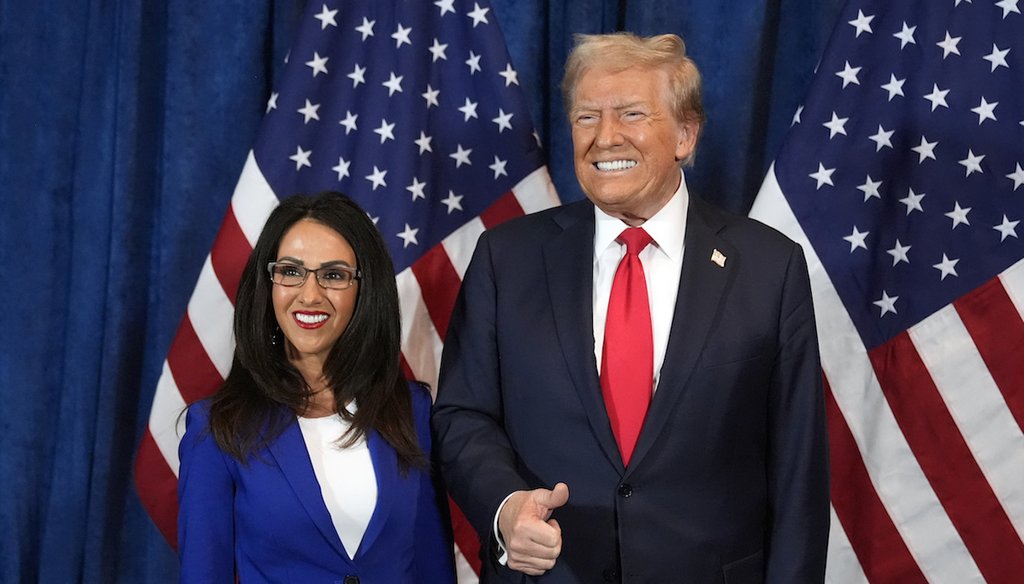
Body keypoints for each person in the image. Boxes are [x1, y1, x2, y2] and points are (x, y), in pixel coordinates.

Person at [432, 32, 829, 583]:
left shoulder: (768, 268)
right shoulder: (508, 258)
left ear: (685, 135)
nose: (605, 137)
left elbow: (798, 468)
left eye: (631, 114)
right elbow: (462, 415)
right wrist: (505, 507)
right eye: (586, 117)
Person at [178, 192, 455, 583]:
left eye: (334, 274)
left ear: (364, 289)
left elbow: (433, 566)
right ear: (268, 284)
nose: (310, 294)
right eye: (291, 271)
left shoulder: (411, 410)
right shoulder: (217, 428)